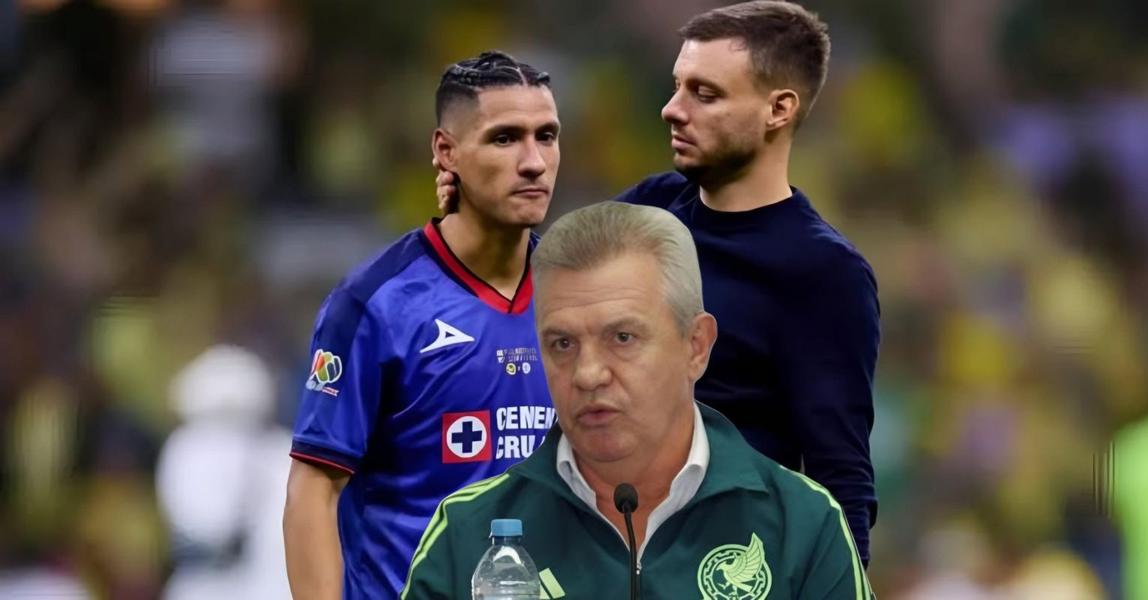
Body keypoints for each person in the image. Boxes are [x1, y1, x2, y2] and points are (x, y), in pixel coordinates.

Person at [434, 0, 880, 564]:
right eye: (677, 87)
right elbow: (534, 290)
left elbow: (841, 475)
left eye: (705, 94)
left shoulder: (822, 273)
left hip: (721, 562)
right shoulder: (652, 207)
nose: (673, 109)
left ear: (779, 110)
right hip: (591, 546)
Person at [403, 202, 872, 599]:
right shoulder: (467, 533)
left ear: (696, 346)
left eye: (622, 337)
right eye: (562, 344)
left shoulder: (802, 526)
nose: (588, 374)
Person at [283, 51, 562, 599]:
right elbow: (314, 489)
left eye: (547, 136)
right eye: (505, 138)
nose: (533, 161)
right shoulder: (375, 304)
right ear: (446, 151)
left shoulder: (580, 296)